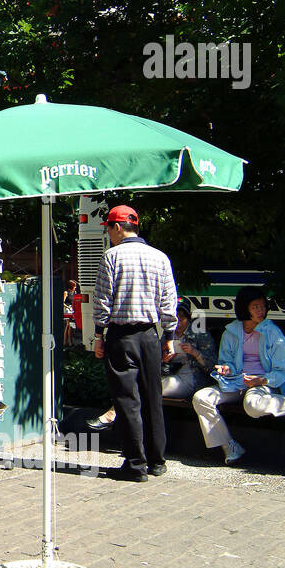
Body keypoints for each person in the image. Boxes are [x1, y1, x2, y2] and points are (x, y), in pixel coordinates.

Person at [190, 286, 285, 466]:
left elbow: (283, 370)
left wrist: (262, 380)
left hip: (262, 383)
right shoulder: (231, 332)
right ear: (245, 308)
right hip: (236, 382)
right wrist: (226, 369)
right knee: (201, 398)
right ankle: (229, 446)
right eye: (255, 307)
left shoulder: (272, 332)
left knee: (252, 406)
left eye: (262, 306)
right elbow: (227, 361)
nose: (261, 311)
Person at [93, 205, 179, 481]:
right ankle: (157, 461)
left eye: (108, 227)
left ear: (117, 227)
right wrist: (169, 338)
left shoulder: (111, 257)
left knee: (127, 400)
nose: (109, 233)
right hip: (151, 337)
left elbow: (102, 301)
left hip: (122, 336)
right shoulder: (160, 258)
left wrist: (98, 335)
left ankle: (135, 464)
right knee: (152, 397)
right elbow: (169, 302)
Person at [85, 300, 217, 430]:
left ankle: (113, 415)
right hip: (170, 374)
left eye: (181, 318)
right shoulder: (169, 335)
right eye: (175, 319)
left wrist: (195, 353)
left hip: (192, 378)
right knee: (143, 386)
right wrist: (165, 359)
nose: (178, 323)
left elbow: (212, 365)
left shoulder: (200, 334)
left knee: (151, 388)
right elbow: (157, 361)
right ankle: (124, 426)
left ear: (189, 319)